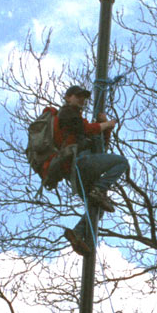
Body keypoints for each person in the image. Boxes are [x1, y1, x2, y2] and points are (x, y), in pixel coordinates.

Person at [42, 85, 128, 256]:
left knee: (97, 208)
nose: (81, 99)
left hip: (78, 171)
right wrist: (105, 124)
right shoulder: (67, 113)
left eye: (83, 97)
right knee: (122, 162)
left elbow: (101, 146)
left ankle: (77, 233)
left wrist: (105, 128)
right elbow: (87, 130)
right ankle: (99, 189)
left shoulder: (79, 121)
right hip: (80, 163)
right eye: (77, 96)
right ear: (68, 97)